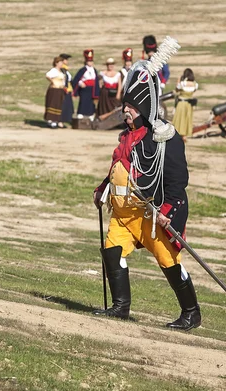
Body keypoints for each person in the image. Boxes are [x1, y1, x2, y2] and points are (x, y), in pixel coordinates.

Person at [92, 37, 201, 331]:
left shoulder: (164, 137)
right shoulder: (127, 135)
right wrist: (103, 189)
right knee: (112, 251)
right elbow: (118, 166)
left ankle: (191, 313)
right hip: (122, 213)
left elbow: (179, 181)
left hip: (151, 214)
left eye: (128, 107)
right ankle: (120, 307)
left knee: (168, 260)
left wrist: (168, 209)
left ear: (140, 107)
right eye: (124, 107)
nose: (124, 112)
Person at [72, 49, 99, 121]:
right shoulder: (83, 70)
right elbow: (77, 79)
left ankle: (90, 114)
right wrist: (81, 83)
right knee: (83, 101)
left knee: (91, 103)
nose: (90, 62)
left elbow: (96, 80)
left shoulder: (94, 70)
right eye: (89, 61)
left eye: (91, 61)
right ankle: (81, 113)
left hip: (92, 89)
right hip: (84, 89)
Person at [172, 68, 198, 142]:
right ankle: (185, 135)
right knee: (187, 119)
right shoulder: (195, 84)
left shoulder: (182, 84)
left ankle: (179, 134)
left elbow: (177, 89)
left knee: (179, 119)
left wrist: (178, 80)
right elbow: (194, 90)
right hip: (189, 105)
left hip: (181, 103)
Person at [44, 56, 66, 128]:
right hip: (54, 90)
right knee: (52, 104)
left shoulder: (61, 71)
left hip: (60, 90)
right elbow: (47, 75)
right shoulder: (53, 70)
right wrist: (53, 82)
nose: (61, 64)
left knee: (58, 105)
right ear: (56, 63)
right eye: (60, 62)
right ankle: (50, 120)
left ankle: (56, 120)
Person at [59, 53, 74, 128]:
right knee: (63, 106)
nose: (67, 61)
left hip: (68, 90)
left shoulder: (65, 70)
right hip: (64, 90)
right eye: (65, 60)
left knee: (67, 106)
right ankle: (60, 121)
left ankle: (64, 120)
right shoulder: (62, 70)